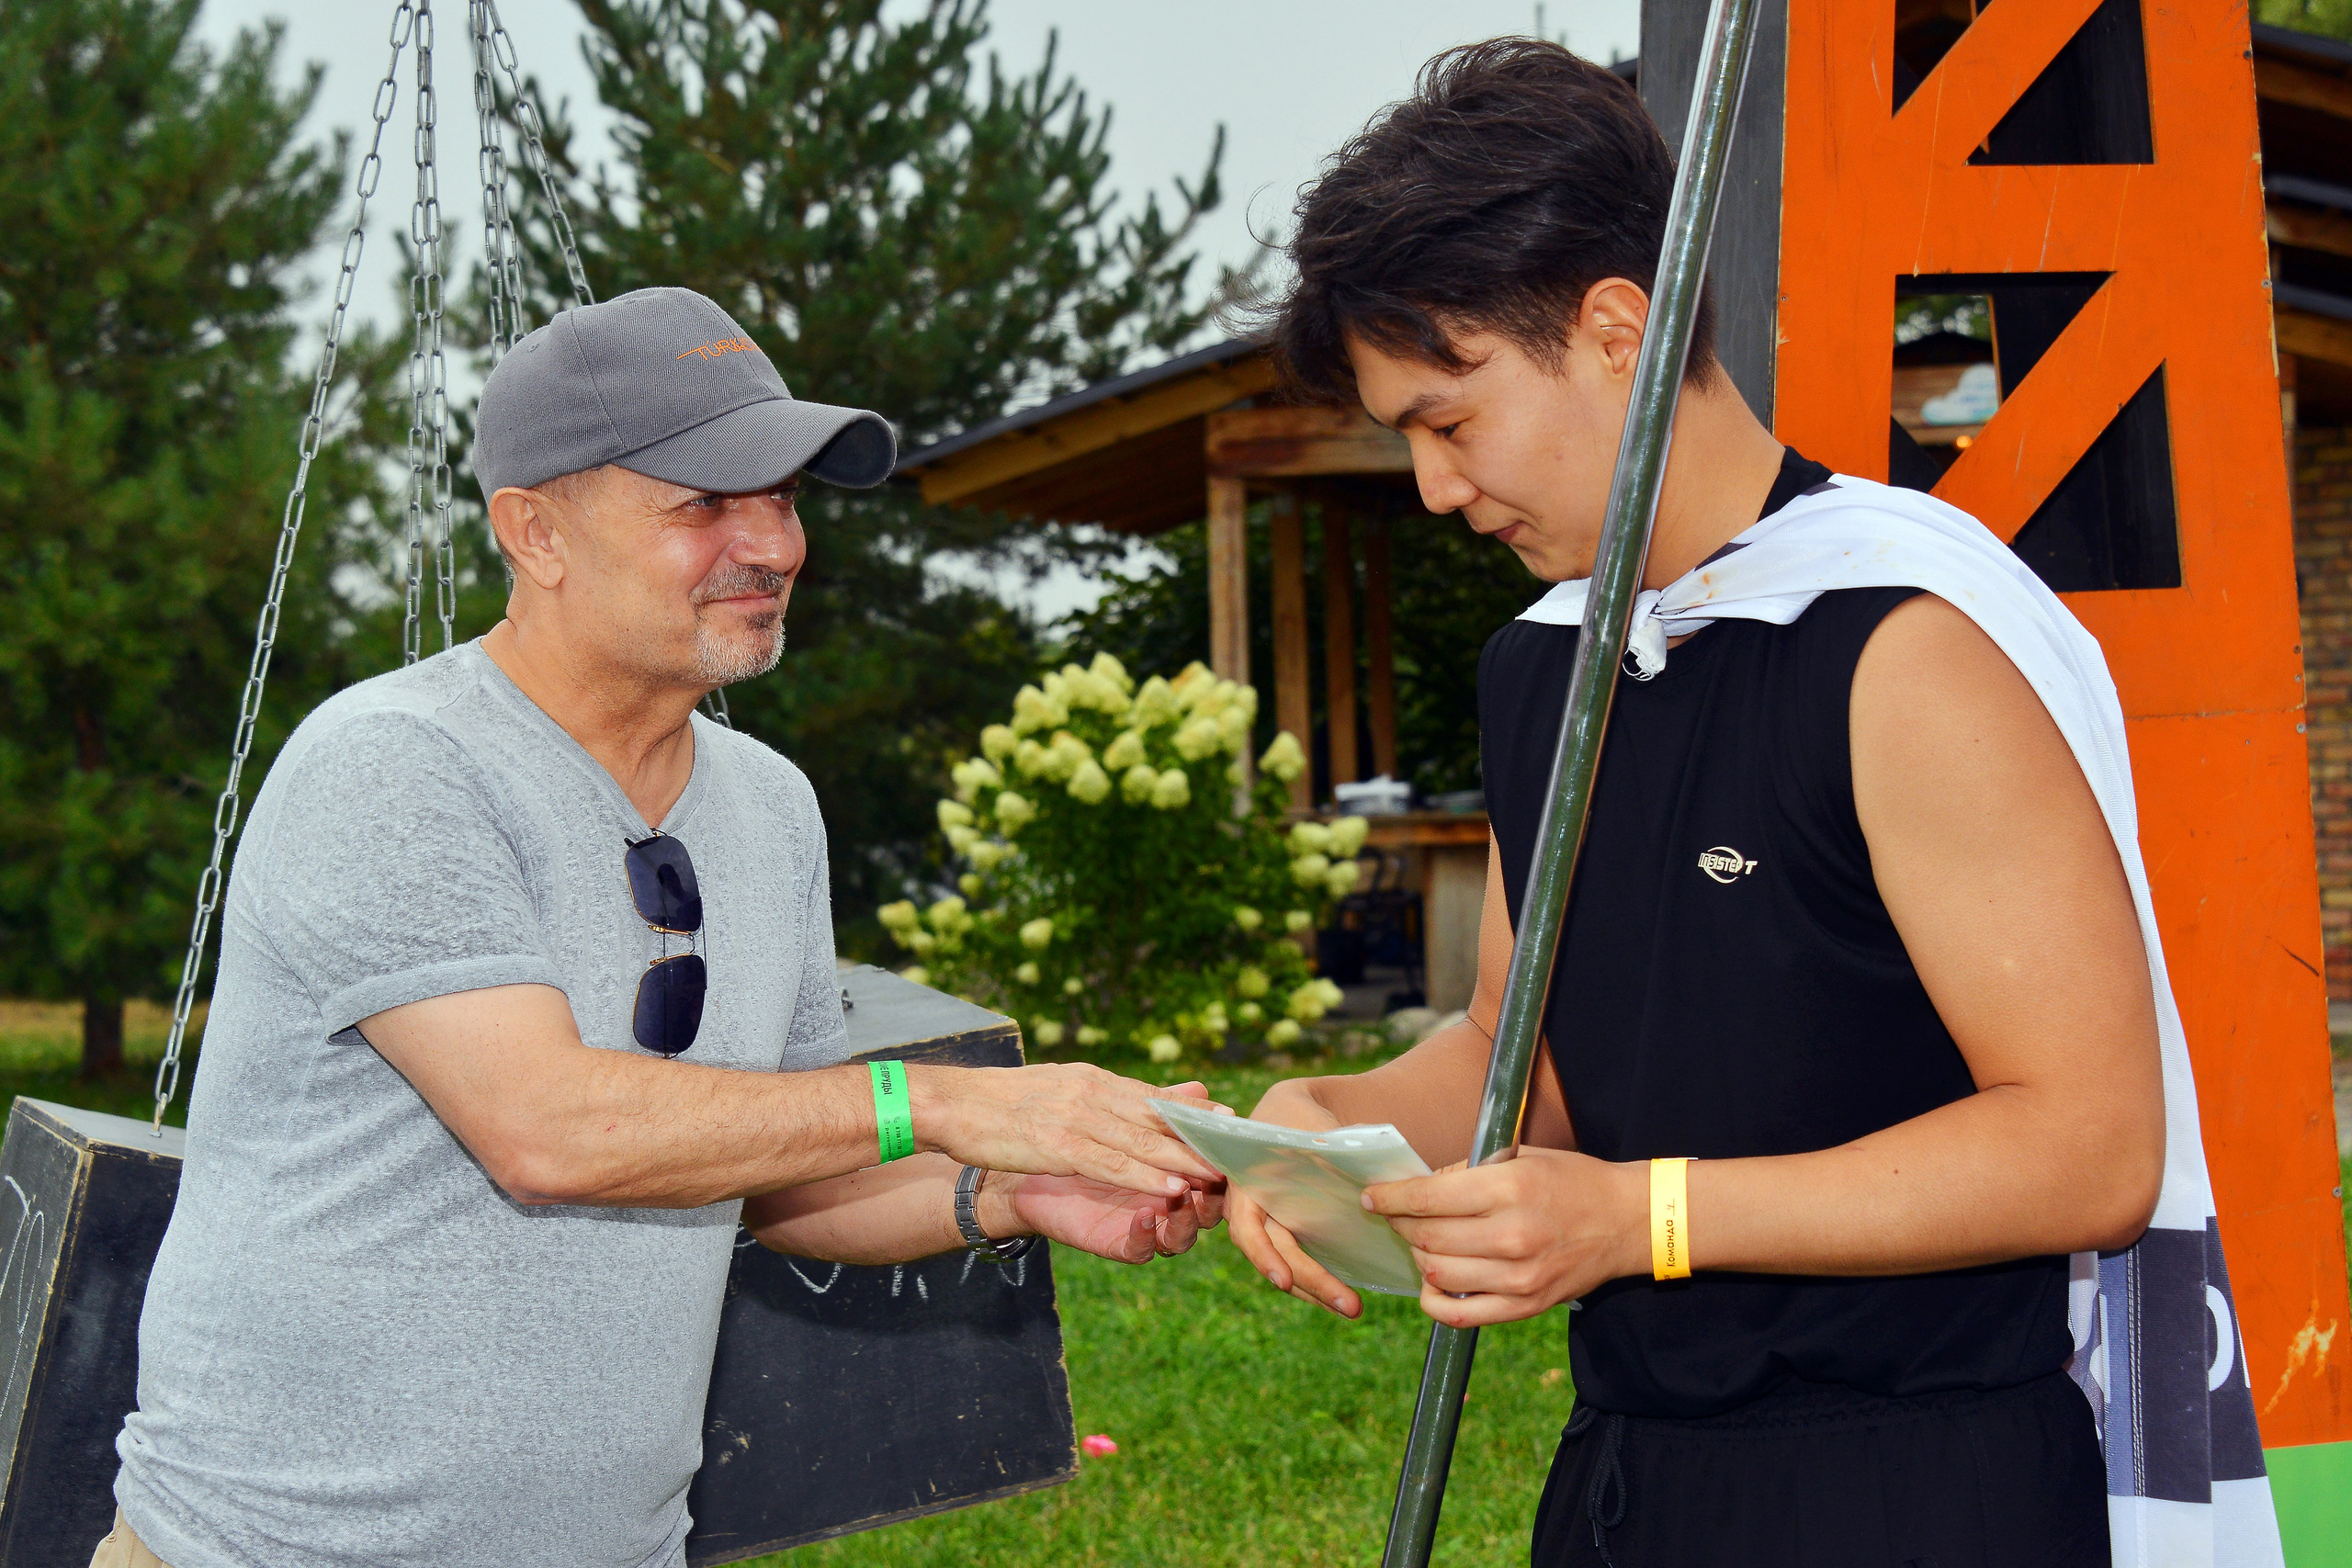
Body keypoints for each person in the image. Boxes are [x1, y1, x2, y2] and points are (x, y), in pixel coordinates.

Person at [96, 286, 1221, 1568]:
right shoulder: (395, 765)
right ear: (537, 533)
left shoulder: (772, 807)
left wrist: (1015, 1187)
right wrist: (951, 1104)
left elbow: (782, 1178)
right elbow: (550, 1129)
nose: (776, 545)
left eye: (785, 498)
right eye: (702, 505)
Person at [1227, 42, 2170, 1566]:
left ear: (1618, 331)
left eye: (1449, 421)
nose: (1433, 489)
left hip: (1915, 1477)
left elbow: (2090, 1149)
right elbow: (1514, 1053)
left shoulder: (1900, 643)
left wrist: (1638, 1219)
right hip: (1633, 1477)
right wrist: (1319, 1125)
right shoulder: (1541, 668)